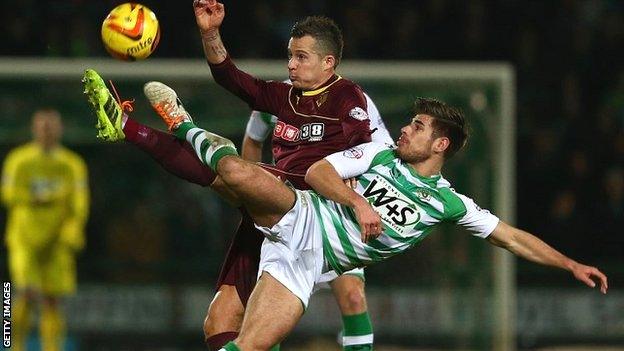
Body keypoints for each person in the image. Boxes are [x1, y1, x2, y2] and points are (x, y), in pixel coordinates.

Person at [83, 73, 608, 351]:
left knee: (247, 344)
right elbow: (318, 175)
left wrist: (569, 265)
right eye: (409, 123)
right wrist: (357, 202)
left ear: (441, 144)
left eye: (418, 127)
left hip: (307, 264)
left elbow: (512, 237)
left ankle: (158, 128)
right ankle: (181, 122)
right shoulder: (377, 153)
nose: (404, 129)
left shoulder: (451, 204)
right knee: (239, 174)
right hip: (303, 214)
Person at [193, 1, 382, 347]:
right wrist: (210, 33)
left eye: (301, 57)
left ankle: (171, 129)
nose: (291, 65)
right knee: (220, 323)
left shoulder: (348, 97)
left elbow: (362, 142)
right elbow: (230, 79)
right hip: (273, 211)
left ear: (328, 62)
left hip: (325, 220)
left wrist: (353, 174)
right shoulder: (283, 97)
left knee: (350, 298)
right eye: (290, 56)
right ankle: (169, 132)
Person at [1, 109, 90, 351]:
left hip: (56, 241)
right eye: (42, 127)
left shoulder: (72, 164)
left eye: (51, 127)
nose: (47, 131)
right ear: (34, 129)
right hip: (25, 239)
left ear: (60, 129)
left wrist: (73, 230)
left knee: (52, 300)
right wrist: (44, 196)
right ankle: (12, 345)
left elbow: (80, 204)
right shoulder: (18, 160)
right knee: (24, 293)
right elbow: (7, 194)